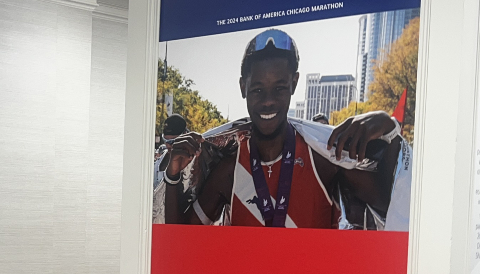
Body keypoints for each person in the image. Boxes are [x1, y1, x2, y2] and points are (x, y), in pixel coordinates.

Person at [157, 30, 411, 231]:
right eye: (257, 89)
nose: (268, 101)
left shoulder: (324, 158)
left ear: (295, 83)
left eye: (279, 88)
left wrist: (388, 127)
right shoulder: (230, 171)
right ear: (243, 87)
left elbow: (394, 209)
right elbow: (181, 238)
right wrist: (173, 176)